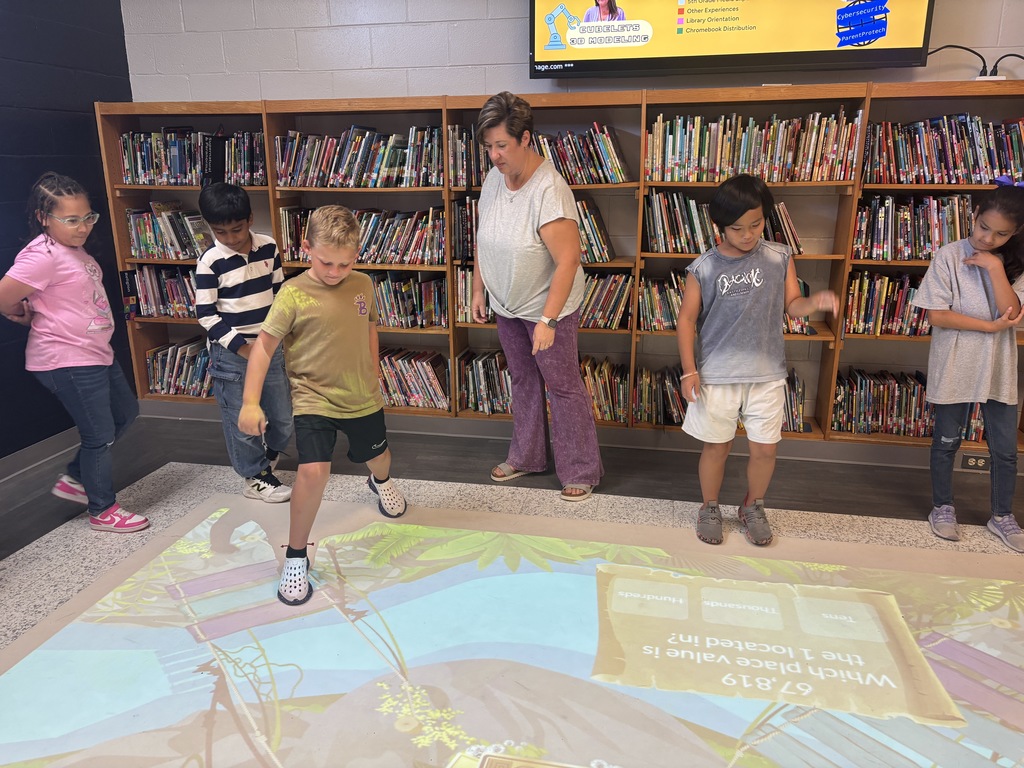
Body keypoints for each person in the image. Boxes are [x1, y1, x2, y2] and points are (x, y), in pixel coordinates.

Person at [238, 205, 408, 606]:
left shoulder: (363, 284)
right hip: (313, 397)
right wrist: (249, 401)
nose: (335, 272)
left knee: (379, 458)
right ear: (307, 247)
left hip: (361, 395)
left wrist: (373, 369)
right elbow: (263, 348)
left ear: (357, 255)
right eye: (326, 262)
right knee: (313, 473)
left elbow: (369, 326)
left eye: (345, 264)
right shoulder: (293, 293)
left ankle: (380, 482)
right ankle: (296, 556)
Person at [677, 174, 838, 546]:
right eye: (737, 228)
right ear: (720, 227)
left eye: (756, 224)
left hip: (767, 373)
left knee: (765, 448)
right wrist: (689, 370)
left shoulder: (779, 256)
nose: (748, 235)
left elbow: (793, 305)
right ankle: (710, 507)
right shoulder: (703, 267)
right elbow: (686, 320)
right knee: (716, 446)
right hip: (718, 374)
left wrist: (814, 304)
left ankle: (753, 506)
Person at [472, 91, 604, 502]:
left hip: (549, 308)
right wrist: (479, 288)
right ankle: (528, 457)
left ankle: (580, 470)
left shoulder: (550, 189)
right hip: (507, 305)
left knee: (562, 386)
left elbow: (568, 261)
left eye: (501, 146)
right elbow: (484, 239)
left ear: (525, 138)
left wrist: (547, 321)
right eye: (488, 146)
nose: (494, 155)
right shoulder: (494, 179)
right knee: (523, 380)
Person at [0, 172, 148, 532]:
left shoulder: (72, 250)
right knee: (98, 435)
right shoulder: (41, 257)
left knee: (125, 414)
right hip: (66, 359)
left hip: (95, 352)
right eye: (71, 220)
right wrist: (20, 315)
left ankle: (77, 477)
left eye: (88, 218)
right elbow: (4, 295)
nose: (82, 227)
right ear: (43, 218)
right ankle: (103, 510)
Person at [912, 180, 1024, 553]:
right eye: (983, 227)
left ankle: (1001, 515)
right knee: (947, 441)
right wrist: (990, 327)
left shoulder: (1013, 262)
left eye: (1001, 234)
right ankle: (942, 507)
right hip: (956, 362)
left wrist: (994, 268)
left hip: (998, 368)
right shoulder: (948, 256)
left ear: (1015, 233)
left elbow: (1013, 313)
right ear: (973, 217)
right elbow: (937, 315)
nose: (988, 238)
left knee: (1005, 449)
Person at [197, 182, 293, 503]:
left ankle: (266, 455)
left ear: (250, 219)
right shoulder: (210, 262)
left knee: (282, 416)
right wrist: (242, 347)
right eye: (220, 232)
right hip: (231, 357)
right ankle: (255, 476)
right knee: (241, 419)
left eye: (236, 229)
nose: (231, 238)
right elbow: (206, 315)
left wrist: (280, 333)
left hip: (270, 348)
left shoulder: (268, 247)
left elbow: (280, 294)